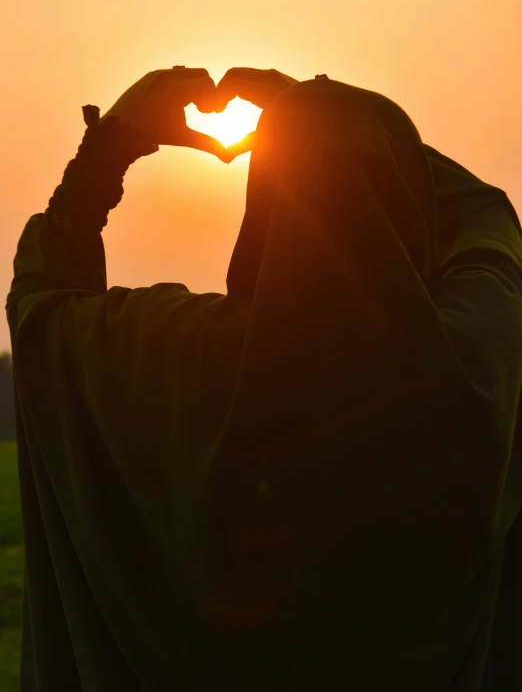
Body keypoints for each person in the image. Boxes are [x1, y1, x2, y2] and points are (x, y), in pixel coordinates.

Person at [6, 66, 522, 691]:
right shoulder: (473, 366)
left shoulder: (184, 361)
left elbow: (42, 306)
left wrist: (112, 143)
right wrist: (345, 127)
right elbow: (490, 220)